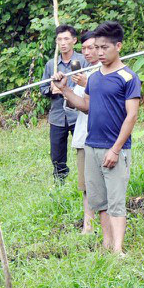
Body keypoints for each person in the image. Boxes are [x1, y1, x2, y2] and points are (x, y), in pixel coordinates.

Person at [52, 21, 140, 254]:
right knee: (99, 201)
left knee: (116, 201)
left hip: (114, 148)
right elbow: (86, 106)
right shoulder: (95, 77)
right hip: (91, 145)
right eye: (96, 48)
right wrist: (65, 90)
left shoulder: (128, 77)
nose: (99, 53)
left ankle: (118, 250)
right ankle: (107, 244)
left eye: (104, 48)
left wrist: (115, 149)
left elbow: (131, 117)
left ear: (118, 46)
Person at [40, 24, 88, 182]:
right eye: (59, 39)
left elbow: (89, 84)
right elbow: (43, 88)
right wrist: (51, 89)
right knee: (57, 154)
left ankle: (88, 180)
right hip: (58, 116)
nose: (63, 43)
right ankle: (60, 183)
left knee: (85, 149)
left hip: (78, 114)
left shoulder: (83, 60)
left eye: (66, 39)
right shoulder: (51, 64)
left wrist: (68, 90)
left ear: (74, 40)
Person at [68, 30, 97, 233]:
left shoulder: (108, 73)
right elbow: (74, 105)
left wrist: (88, 85)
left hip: (103, 137)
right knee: (86, 185)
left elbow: (99, 104)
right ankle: (88, 226)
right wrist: (64, 89)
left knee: (103, 184)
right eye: (84, 48)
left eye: (91, 47)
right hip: (83, 136)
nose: (86, 52)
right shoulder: (84, 73)